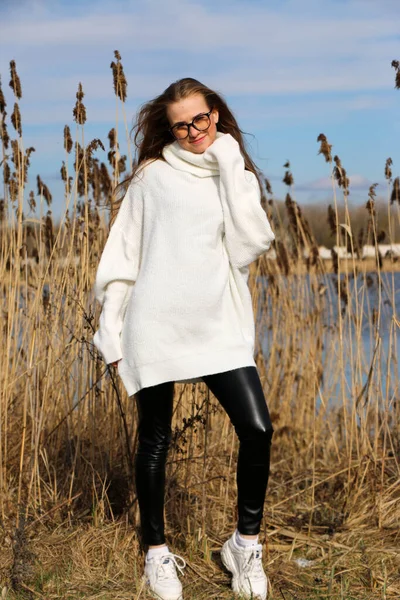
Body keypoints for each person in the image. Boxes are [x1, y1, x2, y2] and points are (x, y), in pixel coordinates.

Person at [93, 77, 275, 600]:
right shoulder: (152, 176)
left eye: (201, 119)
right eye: (182, 124)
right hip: (157, 324)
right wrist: (111, 326)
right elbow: (124, 256)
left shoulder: (230, 168)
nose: (194, 131)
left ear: (214, 114)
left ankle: (244, 545)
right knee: (155, 439)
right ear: (169, 128)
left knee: (257, 428)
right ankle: (156, 553)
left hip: (217, 322)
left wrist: (229, 164)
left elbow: (251, 242)